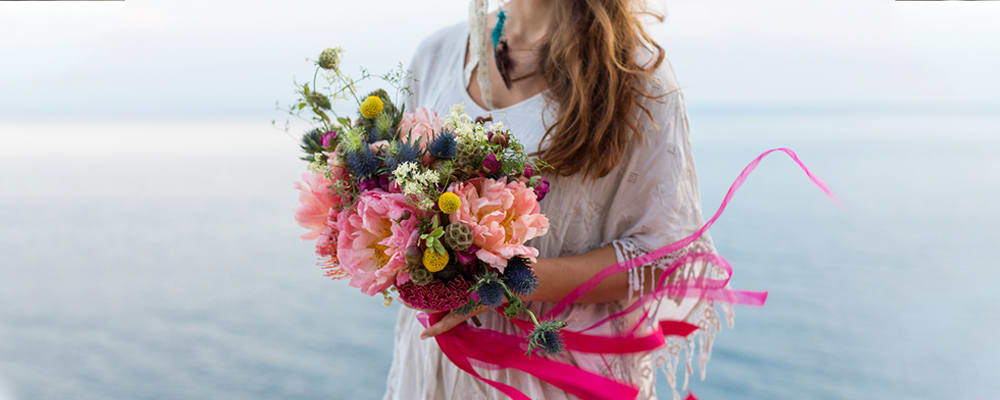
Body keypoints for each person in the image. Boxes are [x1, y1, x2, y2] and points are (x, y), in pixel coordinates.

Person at [385, 1, 731, 399]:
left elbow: (665, 255)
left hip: (552, 371)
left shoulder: (637, 75)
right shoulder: (436, 53)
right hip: (432, 366)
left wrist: (508, 282)